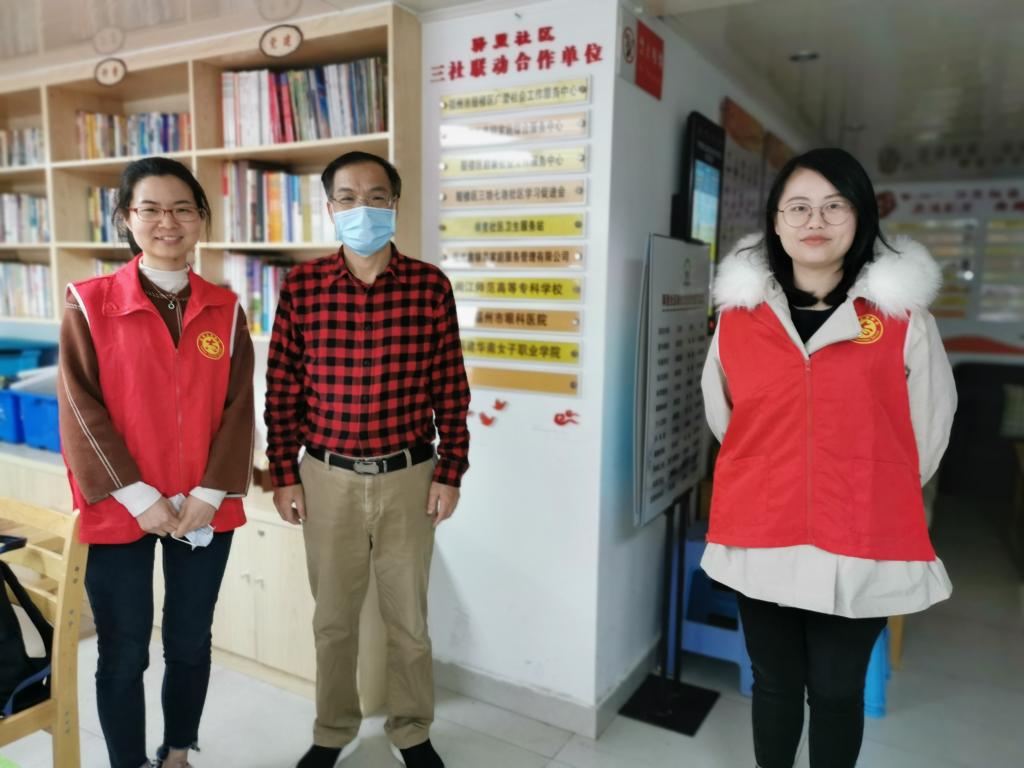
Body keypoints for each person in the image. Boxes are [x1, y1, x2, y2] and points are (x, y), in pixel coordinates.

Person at [701, 147, 956, 768]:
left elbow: (928, 429)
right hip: (762, 529)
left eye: (834, 206)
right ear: (776, 222)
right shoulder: (738, 320)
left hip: (862, 532)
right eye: (798, 207)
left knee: (839, 694)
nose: (815, 220)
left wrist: (864, 483)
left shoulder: (901, 320)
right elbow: (727, 419)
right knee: (774, 684)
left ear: (860, 216)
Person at [265, 150, 470, 768]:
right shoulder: (302, 287)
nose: (363, 209)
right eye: (348, 198)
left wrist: (451, 472)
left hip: (410, 474)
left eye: (376, 197)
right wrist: (283, 474)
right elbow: (282, 389)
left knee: (409, 620)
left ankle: (412, 730)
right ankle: (332, 731)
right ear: (330, 208)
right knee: (333, 621)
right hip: (326, 476)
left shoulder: (429, 286)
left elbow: (451, 388)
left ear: (394, 205)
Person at [58, 157, 254, 768]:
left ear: (201, 219)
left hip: (202, 506)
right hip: (120, 505)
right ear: (126, 218)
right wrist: (139, 497)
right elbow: (79, 408)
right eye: (151, 209)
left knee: (190, 641)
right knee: (123, 650)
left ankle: (176, 753)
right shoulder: (89, 303)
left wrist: (210, 493)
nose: (168, 222)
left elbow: (239, 408)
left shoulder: (226, 309)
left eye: (183, 208)